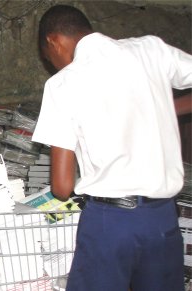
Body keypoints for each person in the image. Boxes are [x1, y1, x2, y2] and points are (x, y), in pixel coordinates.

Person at [32, 5, 191, 291]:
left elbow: (62, 186)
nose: (54, 63)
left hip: (110, 223)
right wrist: (168, 108)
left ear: (53, 40)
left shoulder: (63, 84)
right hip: (162, 220)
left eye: (49, 57)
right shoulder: (151, 50)